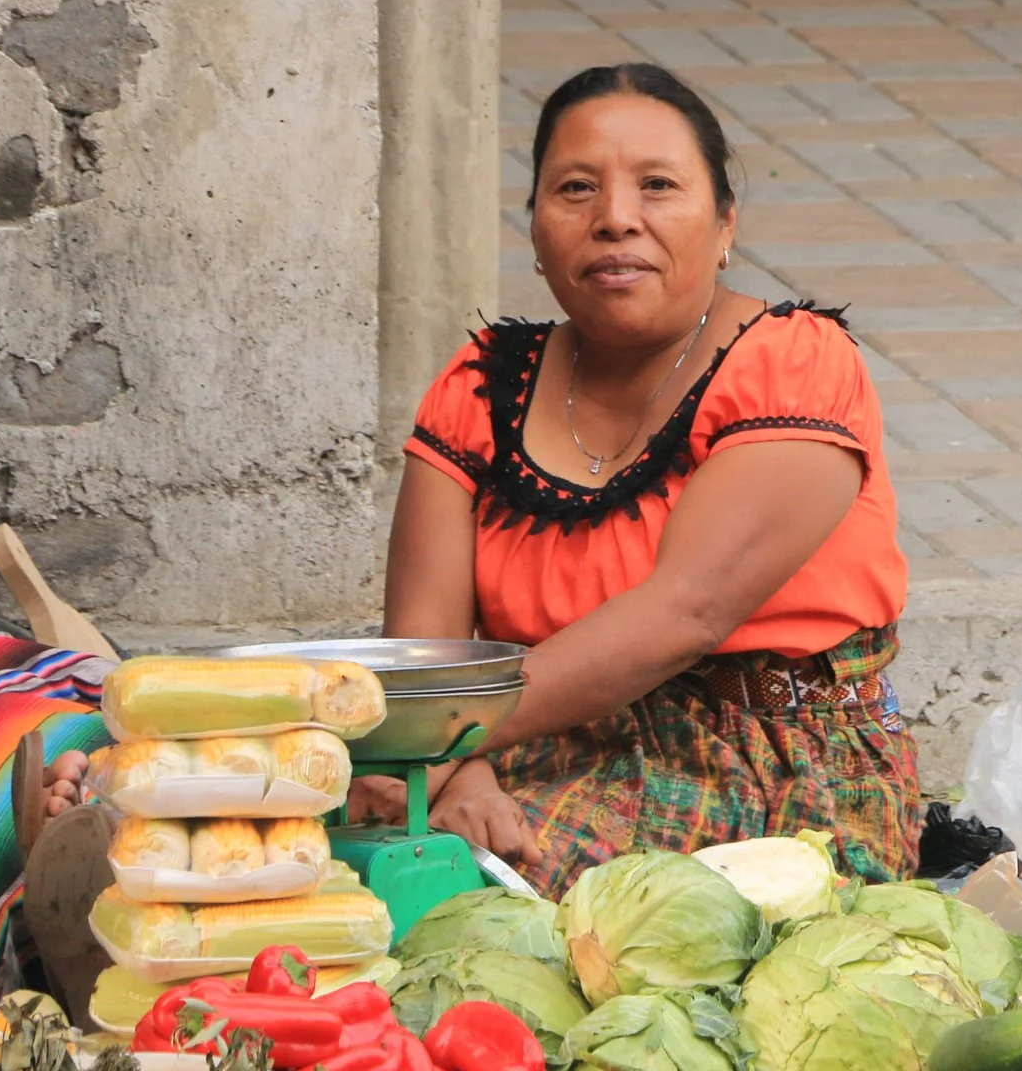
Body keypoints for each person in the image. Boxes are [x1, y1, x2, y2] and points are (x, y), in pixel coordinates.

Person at [357, 62, 920, 894]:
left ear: (725, 223)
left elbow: (684, 613)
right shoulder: (479, 385)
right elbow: (431, 659)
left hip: (766, 771)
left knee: (446, 900)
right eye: (576, 189)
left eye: (658, 186)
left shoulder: (792, 365)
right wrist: (463, 781)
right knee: (307, 850)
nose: (616, 219)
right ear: (537, 228)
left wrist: (434, 750)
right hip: (526, 744)